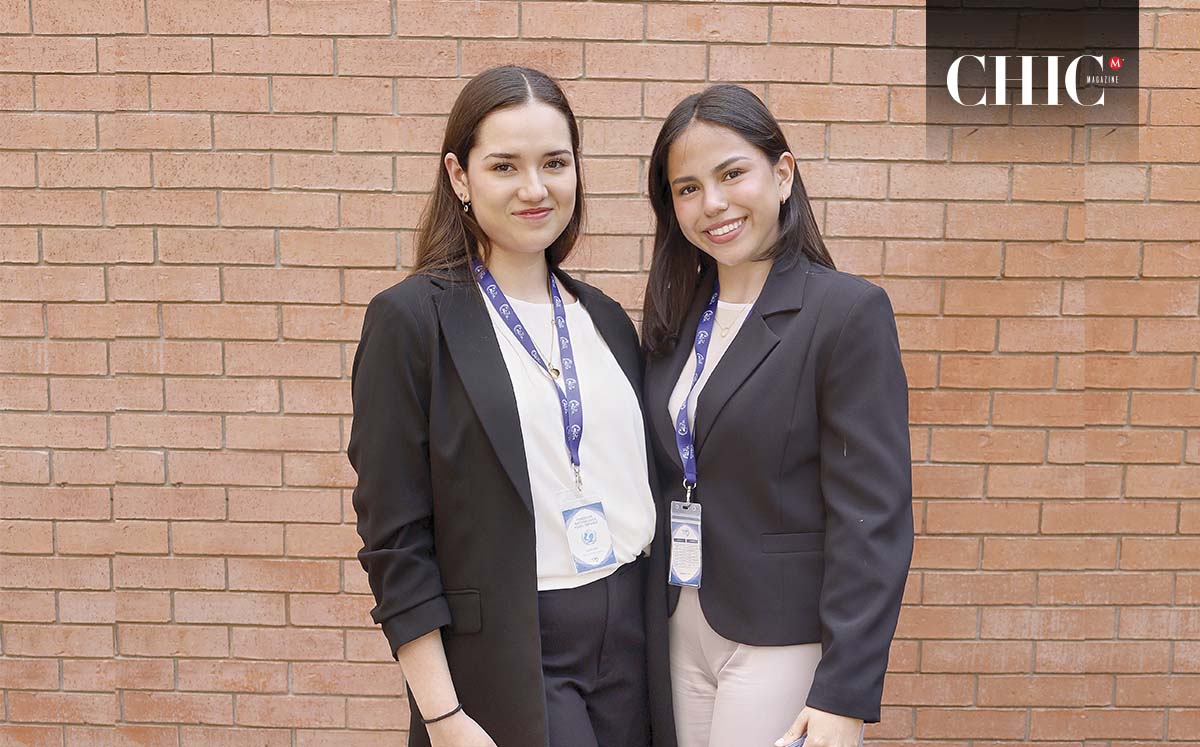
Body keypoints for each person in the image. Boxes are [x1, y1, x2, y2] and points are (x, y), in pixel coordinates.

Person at [347, 66, 675, 747]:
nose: (535, 188)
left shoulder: (606, 320)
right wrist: (442, 715)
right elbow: (395, 539)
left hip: (635, 642)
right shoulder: (412, 322)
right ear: (460, 176)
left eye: (555, 162)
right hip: (515, 651)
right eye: (504, 166)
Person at [640, 84, 914, 747]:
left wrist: (844, 692)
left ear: (782, 174)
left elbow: (872, 517)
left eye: (732, 173)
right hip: (677, 623)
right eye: (687, 188)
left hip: (779, 638)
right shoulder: (675, 321)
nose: (713, 203)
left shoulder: (845, 313)